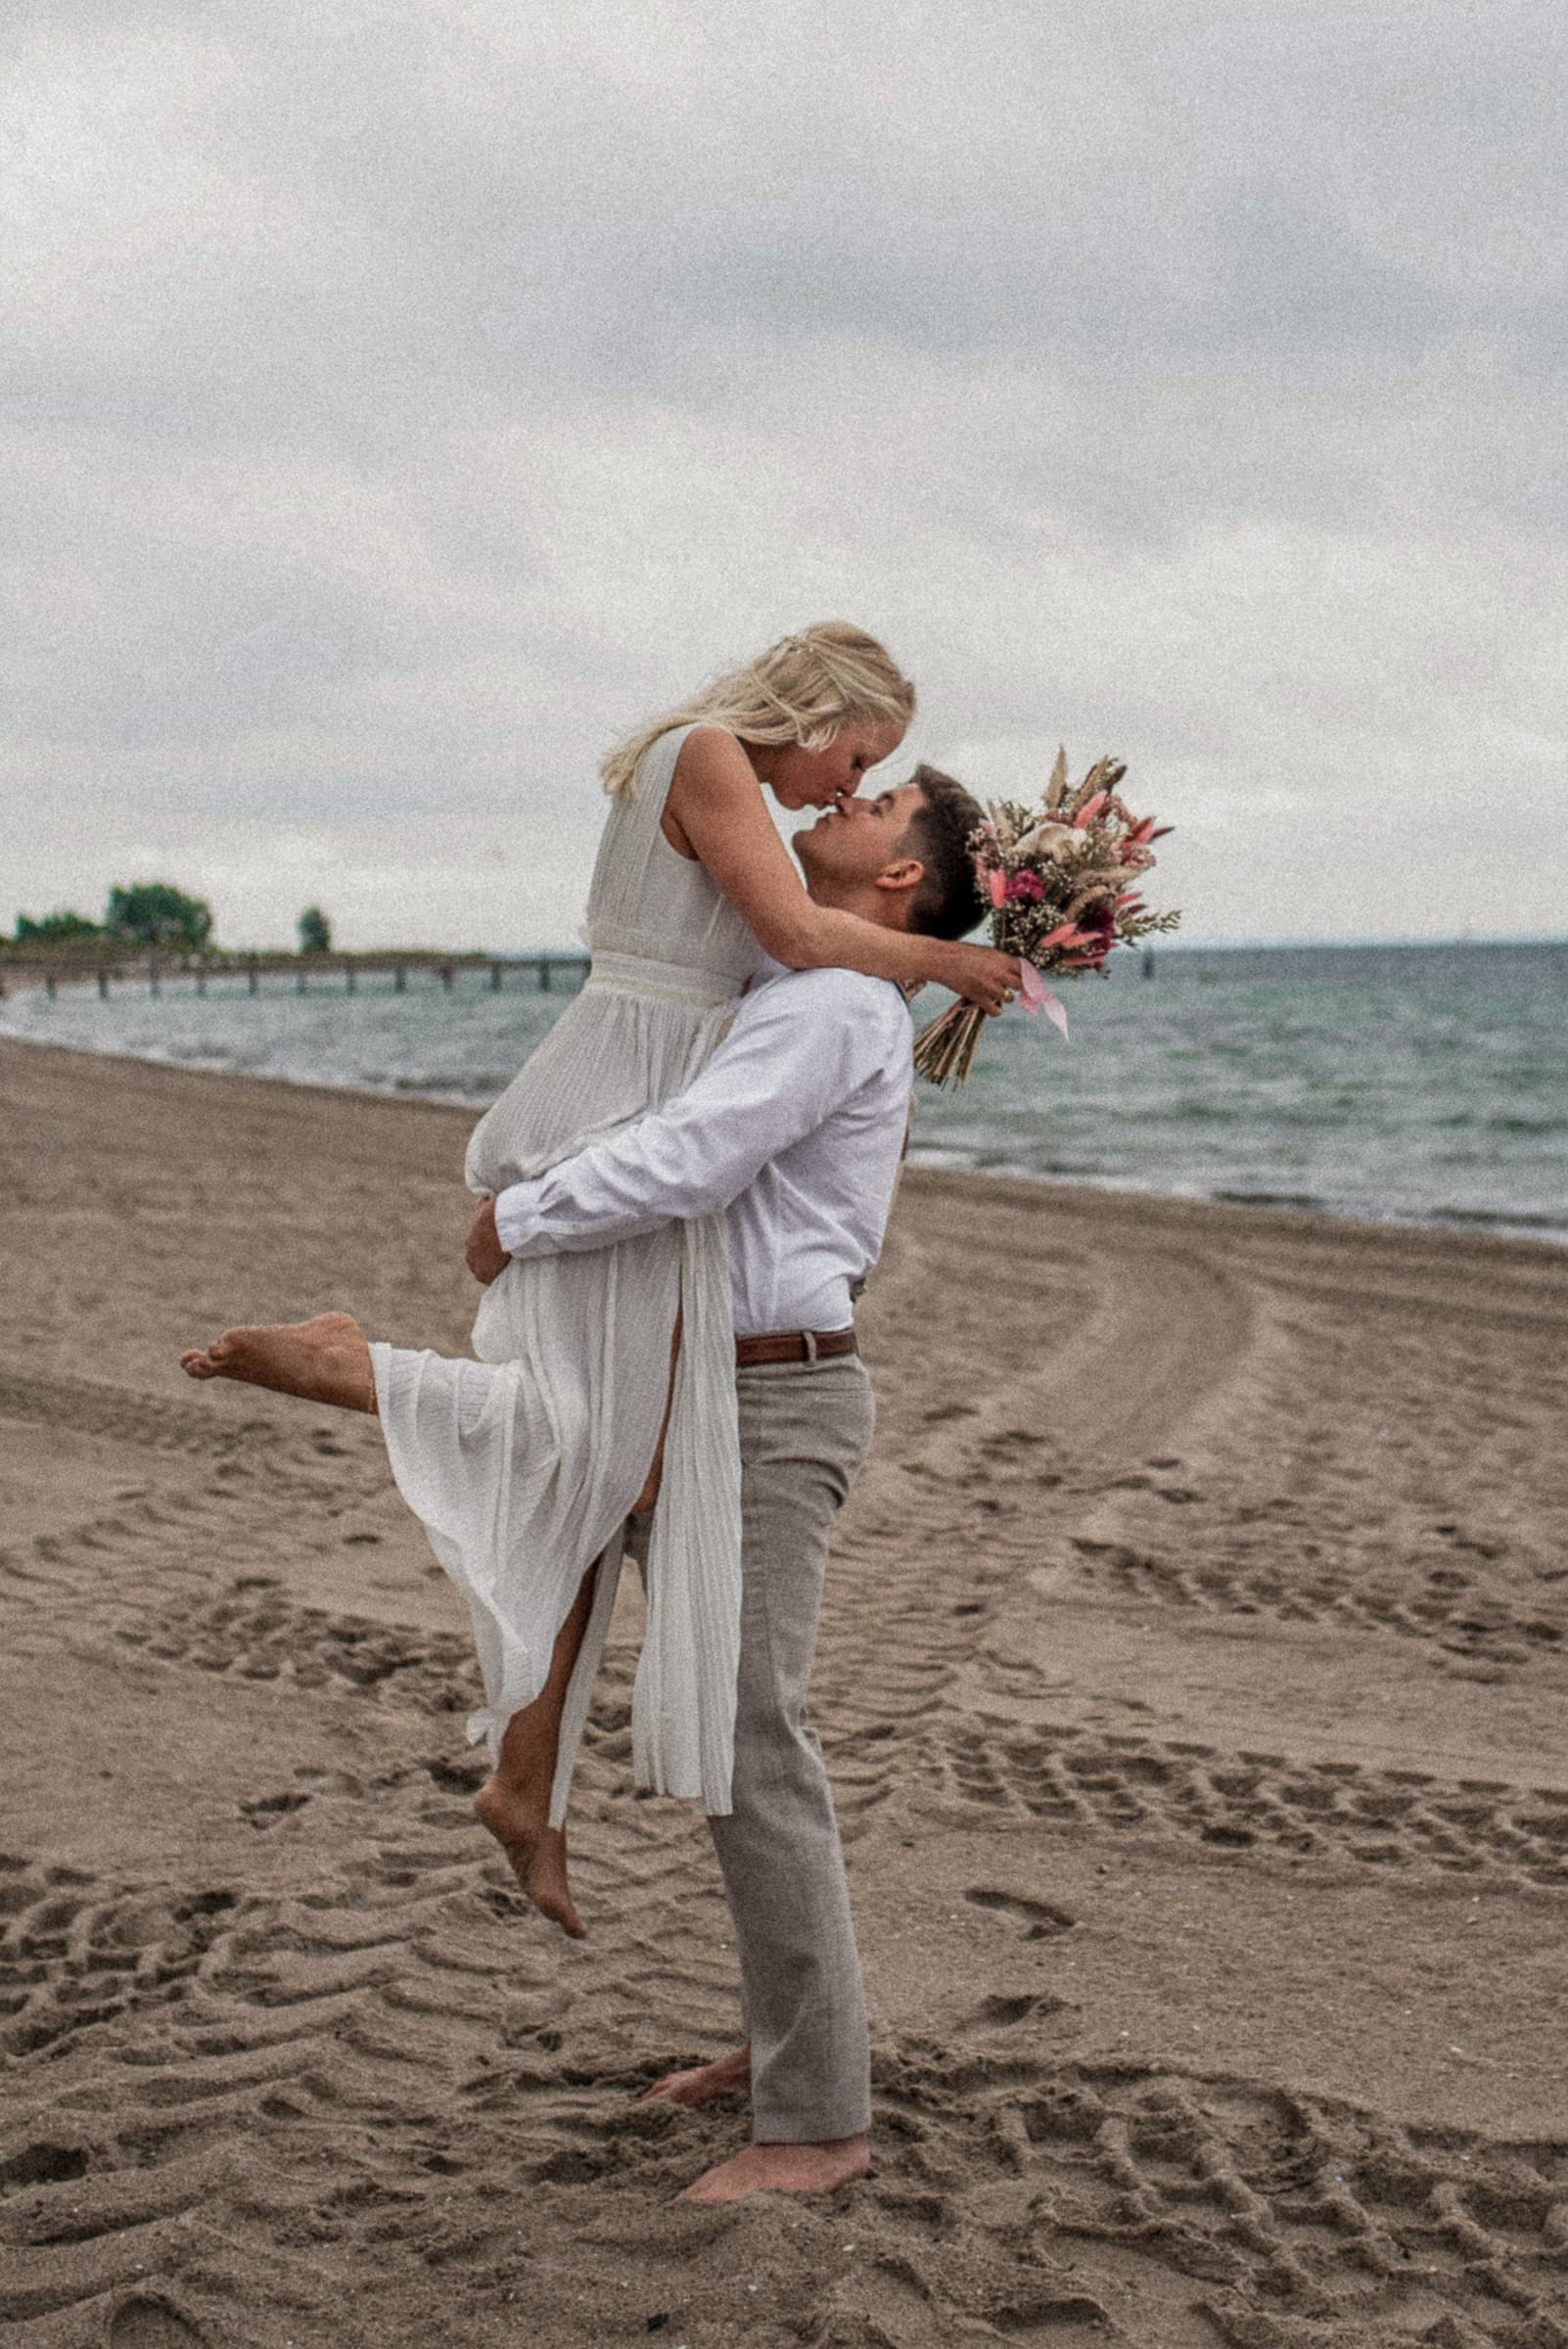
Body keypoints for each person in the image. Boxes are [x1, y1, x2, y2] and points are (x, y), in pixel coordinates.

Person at [181, 626, 1019, 1937]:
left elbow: (797, 952)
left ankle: (521, 1773)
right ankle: (363, 1382)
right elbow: (800, 934)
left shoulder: (714, 783)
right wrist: (952, 963)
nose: (843, 787)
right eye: (855, 758)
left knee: (596, 1456)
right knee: (591, 1447)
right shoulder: (705, 758)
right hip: (633, 1096)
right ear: (814, 712)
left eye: (873, 784)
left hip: (639, 1087)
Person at [464, 761, 989, 2202]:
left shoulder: (826, 1005)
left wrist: (522, 1214)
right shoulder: (795, 973)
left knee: (753, 1747)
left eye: (879, 808)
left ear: (897, 879)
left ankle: (819, 2121)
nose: (849, 797)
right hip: (697, 1389)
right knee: (706, 1729)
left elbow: (695, 1158)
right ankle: (781, 2053)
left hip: (767, 1401)